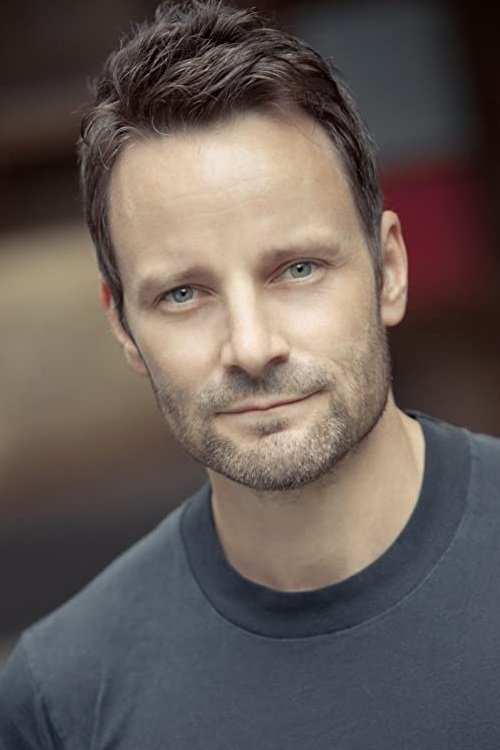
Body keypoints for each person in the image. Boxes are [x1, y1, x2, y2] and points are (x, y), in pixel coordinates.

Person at [1, 0, 499, 746]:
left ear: (389, 270)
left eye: (297, 269)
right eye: (183, 294)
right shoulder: (61, 699)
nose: (251, 345)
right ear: (124, 328)